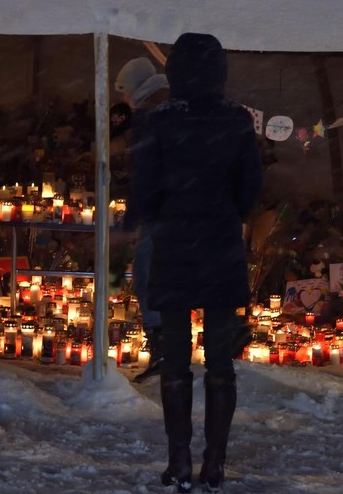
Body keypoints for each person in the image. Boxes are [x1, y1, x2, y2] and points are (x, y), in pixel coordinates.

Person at [131, 33, 262, 493]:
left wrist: (163, 214)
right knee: (220, 363)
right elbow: (250, 188)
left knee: (176, 362)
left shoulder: (158, 122)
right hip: (220, 245)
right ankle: (216, 463)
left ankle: (179, 459)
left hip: (175, 245)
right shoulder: (236, 121)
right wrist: (225, 213)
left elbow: (144, 188)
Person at [114, 56, 170, 383]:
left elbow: (145, 176)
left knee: (148, 278)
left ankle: (165, 353)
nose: (123, 101)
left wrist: (129, 223)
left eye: (124, 93)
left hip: (162, 211)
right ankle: (171, 351)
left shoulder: (148, 120)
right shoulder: (176, 111)